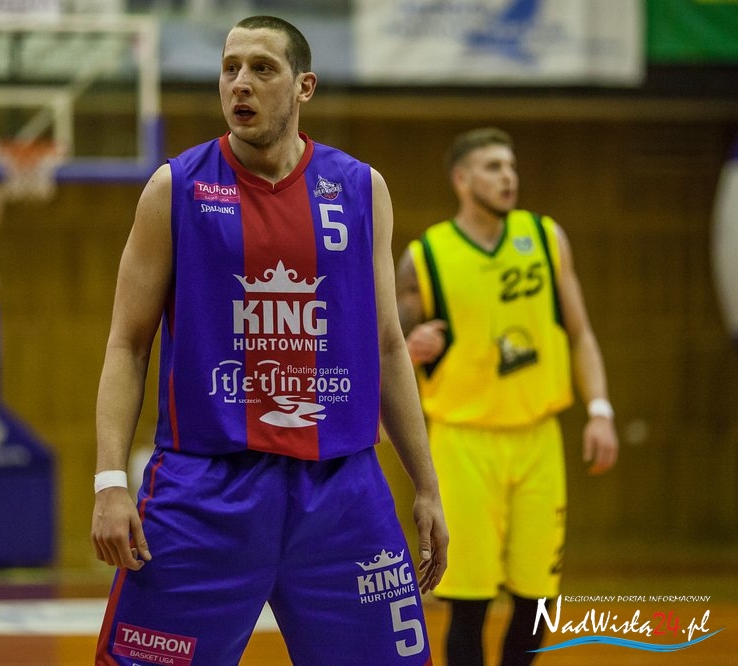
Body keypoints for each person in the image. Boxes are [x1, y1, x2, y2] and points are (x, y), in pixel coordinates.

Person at [91, 15, 447, 665]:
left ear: (304, 86)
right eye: (230, 68)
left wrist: (425, 484)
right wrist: (110, 481)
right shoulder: (176, 188)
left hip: (341, 489)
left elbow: (389, 346)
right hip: (206, 489)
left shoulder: (361, 188)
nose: (240, 83)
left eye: (262, 68)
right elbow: (127, 345)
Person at [396, 127, 619, 665]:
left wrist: (600, 410)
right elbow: (385, 350)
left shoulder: (545, 237)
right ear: (462, 179)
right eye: (493, 167)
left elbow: (581, 333)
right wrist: (410, 348)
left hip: (537, 439)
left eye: (511, 166)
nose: (508, 177)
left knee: (538, 598)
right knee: (468, 604)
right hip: (462, 444)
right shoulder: (426, 256)